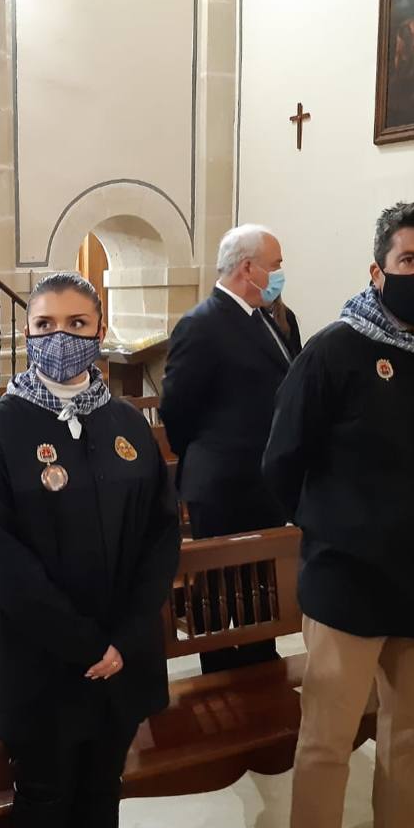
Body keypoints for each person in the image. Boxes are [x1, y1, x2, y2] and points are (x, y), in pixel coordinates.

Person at [264, 200, 414, 828]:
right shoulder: (333, 351)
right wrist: (337, 529)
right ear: (379, 268)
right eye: (410, 260)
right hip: (351, 580)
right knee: (329, 739)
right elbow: (282, 463)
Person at [0, 271, 180, 828]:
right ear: (26, 334)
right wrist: (83, 641)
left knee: (101, 792)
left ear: (100, 331)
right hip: (40, 656)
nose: (61, 336)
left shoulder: (127, 425)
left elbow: (161, 534)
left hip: (118, 655)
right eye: (45, 325)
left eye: (77, 324)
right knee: (46, 794)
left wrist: (125, 635)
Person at [160, 224, 294, 674]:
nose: (279, 274)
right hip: (221, 483)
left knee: (261, 584)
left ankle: (259, 666)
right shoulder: (202, 324)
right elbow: (176, 410)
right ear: (248, 267)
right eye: (274, 266)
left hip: (263, 480)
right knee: (219, 589)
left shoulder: (268, 319)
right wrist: (210, 454)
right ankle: (218, 676)